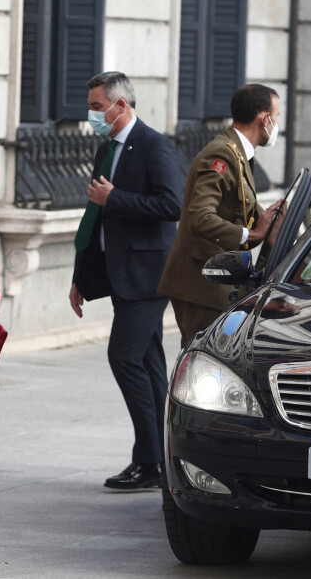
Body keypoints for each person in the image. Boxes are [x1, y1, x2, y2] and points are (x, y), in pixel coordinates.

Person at [69, 72, 183, 490]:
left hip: (149, 277)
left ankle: (148, 460)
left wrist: (115, 197)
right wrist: (81, 276)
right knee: (150, 365)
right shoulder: (106, 148)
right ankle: (161, 460)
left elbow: (172, 204)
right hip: (119, 275)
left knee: (125, 357)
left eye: (98, 107)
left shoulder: (155, 145)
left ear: (121, 106)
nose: (92, 114)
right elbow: (93, 219)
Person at [158, 83, 286, 347]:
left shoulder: (238, 153)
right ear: (265, 119)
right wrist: (254, 233)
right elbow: (199, 217)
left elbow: (238, 211)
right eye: (277, 117)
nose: (276, 125)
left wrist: (268, 224)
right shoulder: (222, 154)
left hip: (215, 282)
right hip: (200, 284)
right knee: (203, 364)